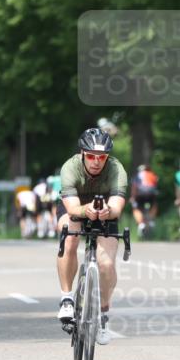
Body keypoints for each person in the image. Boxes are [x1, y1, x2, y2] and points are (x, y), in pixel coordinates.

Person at [55, 127, 128, 346]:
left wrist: (107, 211)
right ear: (82, 154)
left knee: (105, 264)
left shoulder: (116, 169)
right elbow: (72, 208)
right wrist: (86, 210)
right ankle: (67, 298)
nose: (96, 162)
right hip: (75, 209)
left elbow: (117, 207)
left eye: (102, 157)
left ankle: (103, 314)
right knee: (69, 237)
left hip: (105, 212)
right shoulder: (70, 167)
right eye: (91, 157)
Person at [131, 164, 159, 238]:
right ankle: (151, 220)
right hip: (151, 193)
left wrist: (133, 197)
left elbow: (134, 187)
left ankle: (141, 224)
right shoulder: (153, 175)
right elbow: (155, 186)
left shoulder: (137, 175)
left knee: (136, 208)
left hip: (141, 193)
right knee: (154, 204)